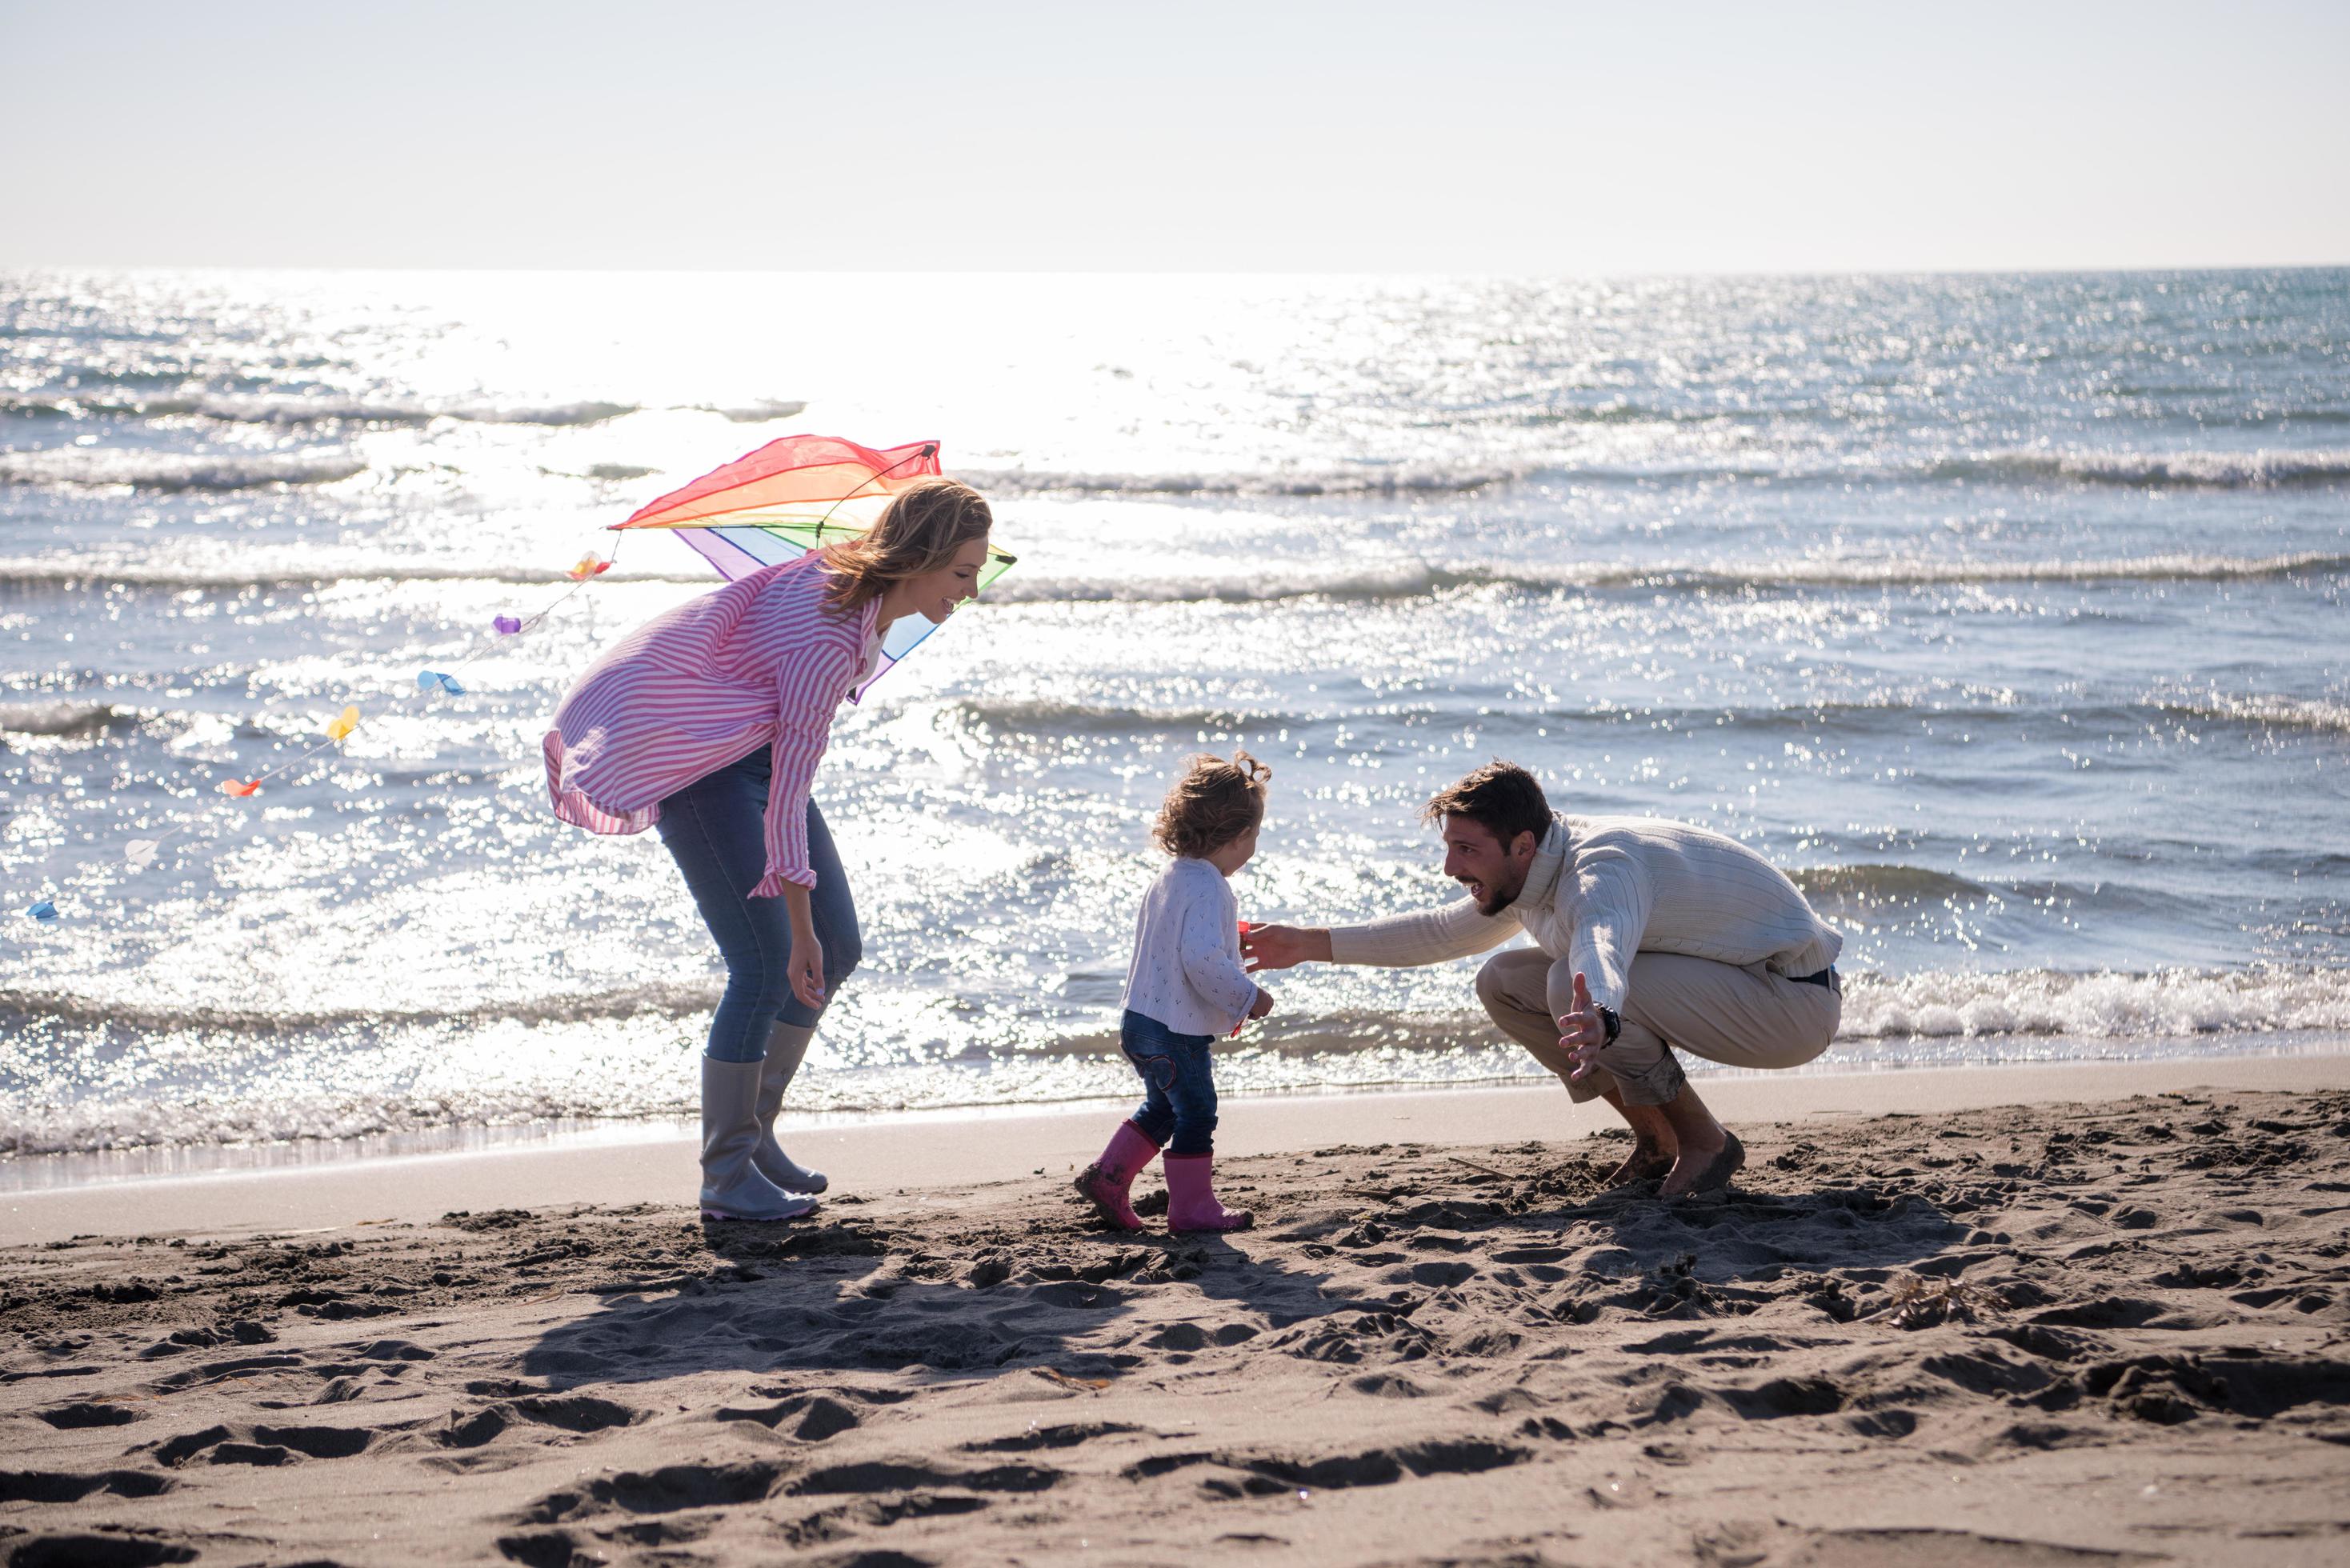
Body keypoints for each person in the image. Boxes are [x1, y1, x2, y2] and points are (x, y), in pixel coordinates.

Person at [544, 478, 997, 1221]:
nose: (972, 591)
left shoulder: (852, 588)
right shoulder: (828, 632)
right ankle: (725, 1176)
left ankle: (756, 1140)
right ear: (918, 557)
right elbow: (791, 789)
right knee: (764, 964)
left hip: (747, 753)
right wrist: (797, 926)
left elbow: (781, 764)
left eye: (976, 572)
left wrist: (814, 934)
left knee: (838, 947)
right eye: (960, 572)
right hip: (701, 767)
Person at [1243, 761, 1842, 1197]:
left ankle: (1706, 1143)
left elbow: (1600, 941)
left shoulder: (1598, 868)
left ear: (1522, 844)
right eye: (1449, 847)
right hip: (1738, 988)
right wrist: (1306, 944)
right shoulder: (1534, 864)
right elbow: (1441, 933)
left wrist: (1599, 1009)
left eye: (1466, 849)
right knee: (1502, 979)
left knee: (1565, 984)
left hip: (1789, 1005)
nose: (1450, 867)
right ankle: (1657, 1138)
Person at [1076, 751, 1275, 1234]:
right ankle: (1191, 1210)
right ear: (1242, 836)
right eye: (1256, 836)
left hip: (1140, 1020)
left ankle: (1108, 1177)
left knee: (1164, 1107)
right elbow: (1202, 961)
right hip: (1174, 1031)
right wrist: (1250, 997)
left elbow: (1180, 943)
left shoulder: (1173, 875)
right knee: (1198, 1112)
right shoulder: (1210, 887)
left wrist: (1230, 938)